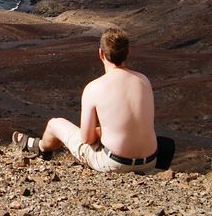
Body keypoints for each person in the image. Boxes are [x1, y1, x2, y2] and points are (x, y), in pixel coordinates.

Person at [13, 28, 157, 173]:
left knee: (54, 124)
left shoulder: (94, 88)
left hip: (115, 163)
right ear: (128, 52)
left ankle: (40, 147)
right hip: (150, 161)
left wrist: (102, 132)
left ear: (100, 53)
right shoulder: (144, 80)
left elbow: (87, 138)